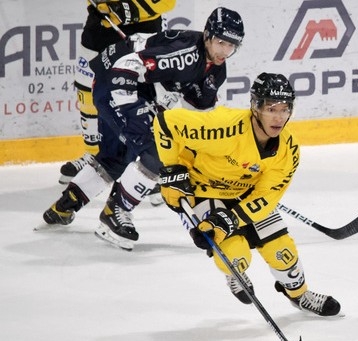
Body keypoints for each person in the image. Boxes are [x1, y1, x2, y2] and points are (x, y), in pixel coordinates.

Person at [42, 7, 245, 251]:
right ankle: (115, 212)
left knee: (116, 158)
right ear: (208, 35)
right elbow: (126, 67)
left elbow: (199, 119)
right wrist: (133, 113)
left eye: (232, 45)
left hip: (133, 88)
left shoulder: (216, 70)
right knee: (156, 153)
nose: (225, 51)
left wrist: (209, 151)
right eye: (221, 42)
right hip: (115, 81)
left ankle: (65, 205)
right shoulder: (187, 54)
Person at [153, 72, 341, 317]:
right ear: (255, 107)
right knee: (235, 255)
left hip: (245, 193)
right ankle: (235, 273)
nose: (279, 117)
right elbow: (165, 123)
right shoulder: (221, 128)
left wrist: (232, 219)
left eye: (285, 109)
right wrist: (172, 171)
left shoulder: (288, 149)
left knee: (282, 252)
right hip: (204, 189)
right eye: (272, 108)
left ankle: (300, 295)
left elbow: (267, 196)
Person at [61, 0, 177, 185]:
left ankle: (152, 163)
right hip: (99, 25)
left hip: (144, 29)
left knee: (146, 94)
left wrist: (125, 9)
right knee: (86, 88)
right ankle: (92, 154)